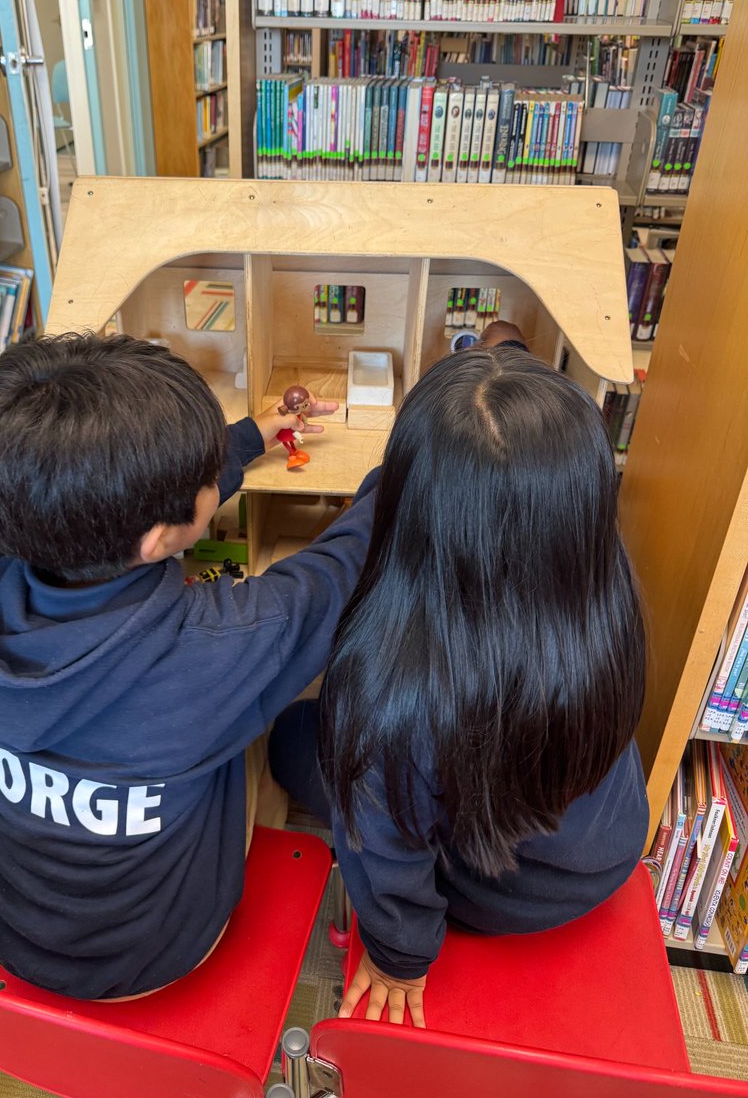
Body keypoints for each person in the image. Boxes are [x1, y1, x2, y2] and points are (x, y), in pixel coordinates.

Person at [0, 332, 379, 1000]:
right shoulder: (221, 646)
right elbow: (342, 567)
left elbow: (111, 497)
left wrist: (250, 435)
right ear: (157, 539)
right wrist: (401, 470)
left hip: (0, 920)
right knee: (282, 731)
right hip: (153, 954)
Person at [269, 322, 649, 1029]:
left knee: (295, 736)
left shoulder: (392, 685)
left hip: (496, 895)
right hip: (605, 855)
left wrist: (398, 957)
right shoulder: (606, 603)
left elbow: (382, 848)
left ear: (415, 507)